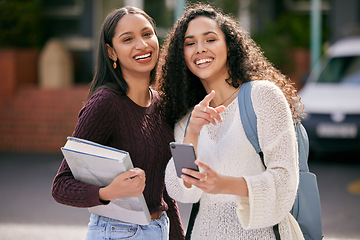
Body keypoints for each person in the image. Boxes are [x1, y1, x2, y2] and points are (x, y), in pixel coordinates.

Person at [157, 3, 305, 240]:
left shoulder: (262, 96)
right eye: (190, 43)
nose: (200, 49)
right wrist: (192, 133)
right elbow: (181, 192)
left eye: (210, 39)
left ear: (229, 45)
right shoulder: (187, 120)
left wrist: (224, 184)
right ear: (181, 55)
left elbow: (285, 181)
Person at [52, 6, 185, 240]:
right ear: (111, 52)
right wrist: (108, 192)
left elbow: (163, 191)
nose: (142, 45)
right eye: (128, 39)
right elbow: (61, 186)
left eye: (147, 34)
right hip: (119, 231)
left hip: (159, 228)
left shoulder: (162, 104)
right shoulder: (106, 104)